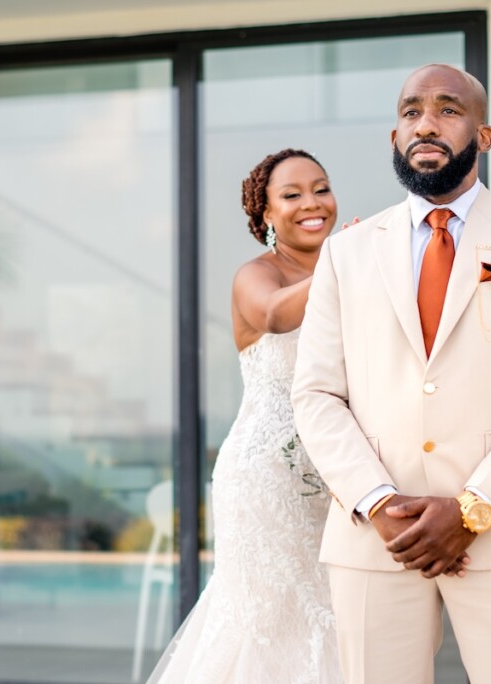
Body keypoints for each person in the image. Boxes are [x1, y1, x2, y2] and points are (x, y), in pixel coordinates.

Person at [291, 64, 491, 684]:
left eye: (448, 110)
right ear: (394, 136)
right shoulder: (346, 253)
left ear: (484, 136)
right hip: (377, 540)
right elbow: (317, 392)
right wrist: (376, 503)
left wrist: (473, 509)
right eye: (410, 111)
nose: (426, 124)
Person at [147, 149, 343, 683]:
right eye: (293, 194)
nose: (313, 203)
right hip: (267, 481)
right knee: (267, 624)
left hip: (344, 479)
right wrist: (346, 262)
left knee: (337, 622)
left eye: (321, 188)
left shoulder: (351, 272)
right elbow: (277, 315)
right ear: (265, 217)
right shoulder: (255, 275)